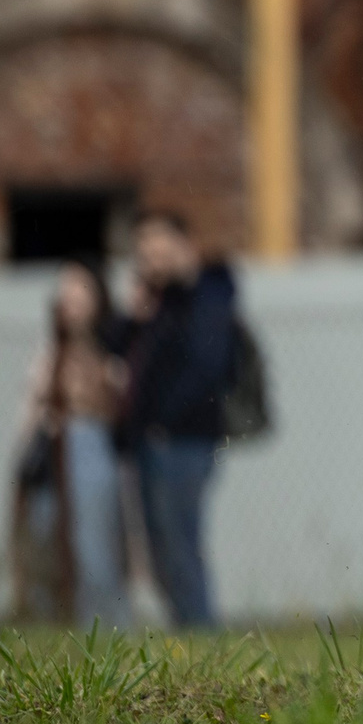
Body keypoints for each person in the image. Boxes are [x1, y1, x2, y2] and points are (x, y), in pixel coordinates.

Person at [119, 210, 236, 628]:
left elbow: (207, 366)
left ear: (182, 246)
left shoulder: (207, 294)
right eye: (143, 253)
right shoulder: (157, 304)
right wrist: (134, 316)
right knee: (160, 546)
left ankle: (200, 632)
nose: (150, 261)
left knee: (179, 542)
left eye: (158, 250)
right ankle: (185, 630)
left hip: (185, 440)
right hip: (153, 440)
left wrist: (164, 421)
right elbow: (118, 348)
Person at [13, 259, 134, 627]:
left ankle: (105, 629)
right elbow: (31, 411)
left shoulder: (112, 352)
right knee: (43, 540)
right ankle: (48, 630)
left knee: (94, 548)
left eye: (79, 290)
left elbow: (119, 406)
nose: (69, 298)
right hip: (50, 458)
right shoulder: (50, 354)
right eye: (64, 291)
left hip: (91, 451)